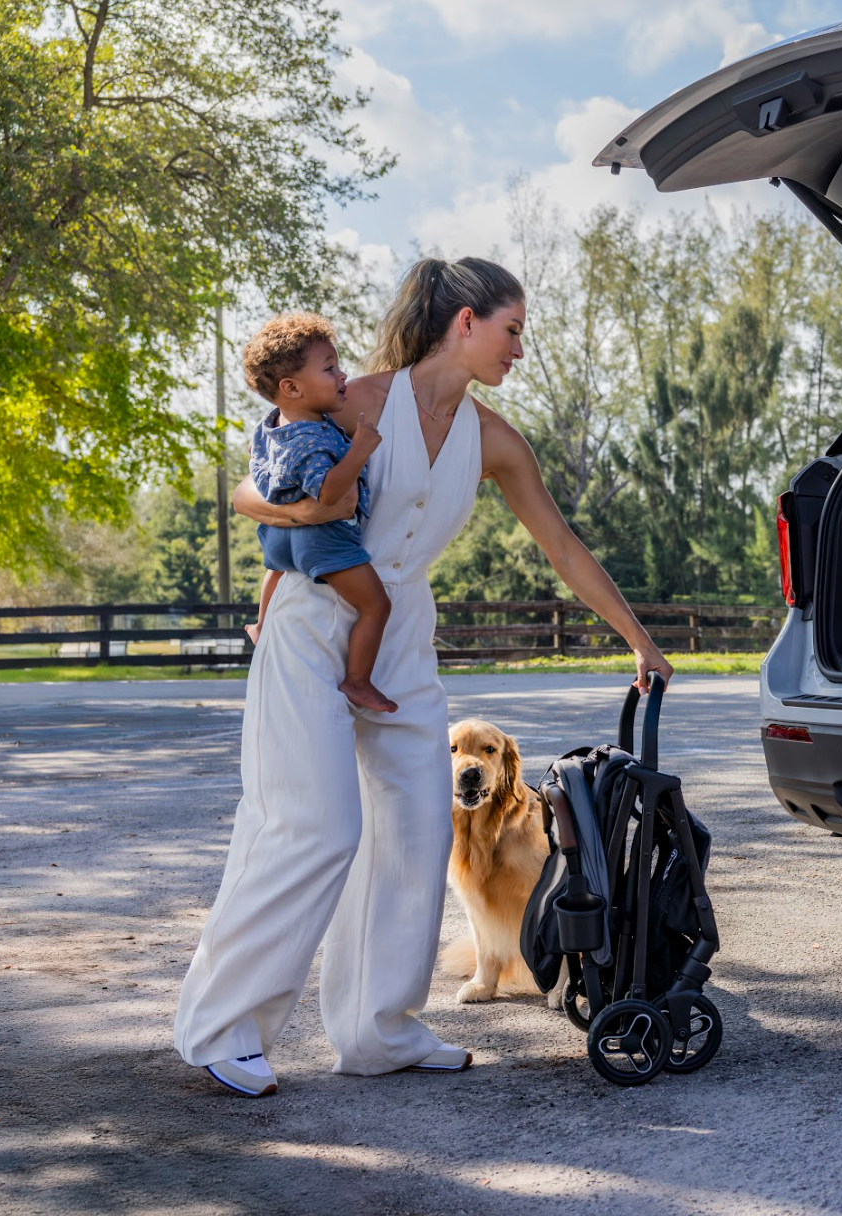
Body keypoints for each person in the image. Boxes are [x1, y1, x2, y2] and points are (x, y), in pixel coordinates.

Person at [172, 256, 675, 1097]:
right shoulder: (362, 399)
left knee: (415, 833)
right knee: (313, 827)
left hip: (401, 638)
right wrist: (290, 538)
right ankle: (226, 1028)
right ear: (465, 323)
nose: (519, 348)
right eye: (512, 330)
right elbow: (249, 490)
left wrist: (639, 640)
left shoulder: (495, 439)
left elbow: (561, 546)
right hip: (309, 626)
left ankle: (380, 1031)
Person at [240, 313, 396, 713]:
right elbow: (327, 492)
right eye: (330, 368)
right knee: (376, 606)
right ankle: (359, 681)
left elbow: (259, 473)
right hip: (323, 540)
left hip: (278, 538)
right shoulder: (311, 437)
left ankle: (261, 624)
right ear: (291, 387)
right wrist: (359, 449)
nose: (343, 375)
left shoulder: (272, 427)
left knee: (276, 570)